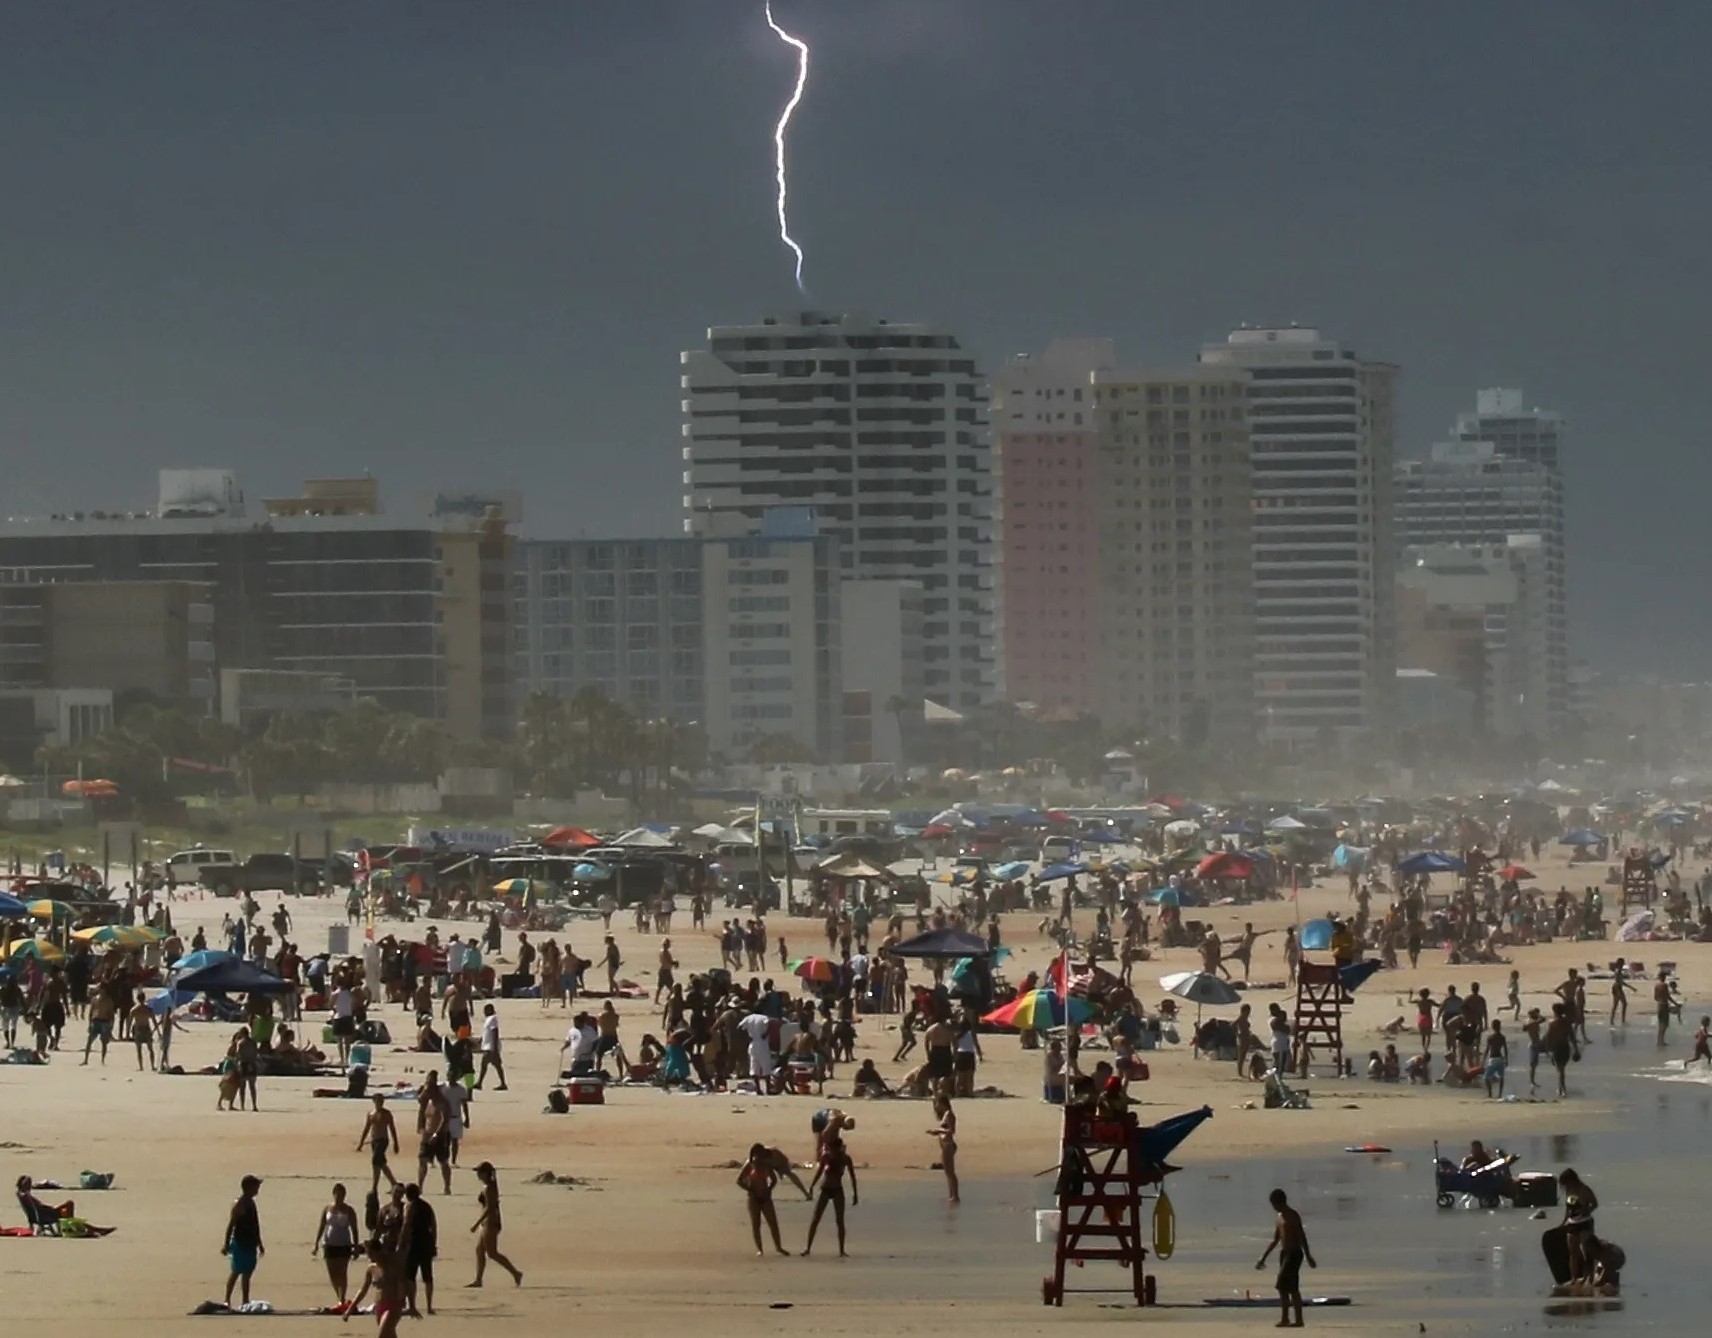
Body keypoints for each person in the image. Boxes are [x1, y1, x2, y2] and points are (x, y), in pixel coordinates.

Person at [1255, 1187, 1316, 1328]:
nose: (1273, 1208)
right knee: (1283, 1287)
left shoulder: (1292, 1215)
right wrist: (1263, 1257)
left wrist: (1308, 1256)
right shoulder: (1279, 1217)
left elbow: (1302, 1237)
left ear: (1279, 1202)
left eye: (1274, 1204)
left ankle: (1299, 1320)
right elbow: (1276, 1239)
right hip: (1285, 1254)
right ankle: (1285, 1318)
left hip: (1295, 1253)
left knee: (1290, 1286)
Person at [467, 1161, 522, 1288]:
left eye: (480, 1173)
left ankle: (515, 1273)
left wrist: (476, 1224)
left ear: (486, 1173)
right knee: (480, 1250)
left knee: (492, 1253)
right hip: (488, 1223)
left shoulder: (489, 1188)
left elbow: (490, 1208)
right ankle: (478, 1280)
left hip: (490, 1223)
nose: (478, 1175)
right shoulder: (489, 1186)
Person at [802, 1133, 858, 1257]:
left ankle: (842, 1250)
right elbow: (819, 1171)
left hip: (838, 1190)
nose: (833, 1150)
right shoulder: (826, 1157)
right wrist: (811, 1186)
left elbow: (853, 1177)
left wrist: (855, 1194)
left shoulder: (845, 1158)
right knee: (816, 1219)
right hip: (825, 1189)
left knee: (840, 1221)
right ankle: (808, 1248)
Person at [310, 1183, 360, 1307]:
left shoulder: (349, 1210)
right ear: (334, 1194)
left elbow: (354, 1229)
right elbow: (322, 1226)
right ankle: (339, 1296)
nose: (340, 1197)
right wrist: (316, 1243)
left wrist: (356, 1246)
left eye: (342, 1194)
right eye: (337, 1194)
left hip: (344, 1244)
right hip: (329, 1244)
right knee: (332, 1272)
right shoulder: (327, 1209)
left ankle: (342, 1298)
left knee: (342, 1271)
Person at [737, 1143, 791, 1257]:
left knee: (773, 1223)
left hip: (766, 1198)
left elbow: (774, 1179)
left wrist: (769, 1189)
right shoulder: (750, 1165)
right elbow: (739, 1180)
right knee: (756, 1225)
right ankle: (760, 1249)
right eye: (758, 1154)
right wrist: (750, 1189)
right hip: (753, 1198)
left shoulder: (766, 1164)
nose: (760, 1157)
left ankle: (778, 1247)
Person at [344, 1238, 406, 1337]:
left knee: (382, 1334)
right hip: (379, 1306)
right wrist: (350, 1309)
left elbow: (404, 1283)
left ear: (378, 1251)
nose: (369, 1256)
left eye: (371, 1253)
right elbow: (363, 1290)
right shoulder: (371, 1269)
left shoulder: (392, 1265)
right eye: (368, 1253)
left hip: (393, 1305)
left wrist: (409, 1303)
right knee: (389, 1335)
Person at [222, 1175, 265, 1308]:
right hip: (240, 1242)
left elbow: (255, 1225)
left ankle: (245, 1300)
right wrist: (226, 1244)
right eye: (256, 1186)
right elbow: (231, 1225)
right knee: (237, 1271)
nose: (258, 1189)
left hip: (251, 1242)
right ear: (249, 1187)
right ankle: (227, 1299)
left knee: (247, 1272)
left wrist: (260, 1243)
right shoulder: (240, 1204)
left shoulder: (251, 1202)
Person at [402, 1182, 438, 1316]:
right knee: (427, 1275)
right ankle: (429, 1306)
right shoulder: (427, 1206)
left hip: (414, 1242)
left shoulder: (409, 1206)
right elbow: (433, 1226)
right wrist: (433, 1243)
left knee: (410, 1275)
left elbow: (406, 1225)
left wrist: (401, 1243)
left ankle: (412, 1305)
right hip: (426, 1242)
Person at [1558, 1169, 1599, 1282]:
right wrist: (1564, 1222)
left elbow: (1595, 1204)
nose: (1564, 1186)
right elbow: (1568, 1209)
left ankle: (1589, 1277)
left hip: (1585, 1222)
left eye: (1566, 1182)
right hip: (1572, 1223)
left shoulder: (1584, 1190)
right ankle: (1574, 1278)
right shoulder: (1569, 1190)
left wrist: (1588, 1210)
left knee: (1587, 1251)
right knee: (1573, 1252)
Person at [416, 1073, 454, 1194]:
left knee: (443, 1161)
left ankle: (447, 1186)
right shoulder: (428, 1102)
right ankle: (420, 1186)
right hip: (427, 1135)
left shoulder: (442, 1102)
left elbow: (445, 1119)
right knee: (422, 1160)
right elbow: (421, 1110)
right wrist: (421, 1128)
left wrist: (437, 1134)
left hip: (441, 1135)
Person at [358, 1092, 400, 1194]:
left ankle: (375, 1187)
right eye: (378, 1101)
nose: (380, 1103)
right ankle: (394, 1183)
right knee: (380, 1164)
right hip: (374, 1141)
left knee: (376, 1162)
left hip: (383, 1141)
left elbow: (392, 1128)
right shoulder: (371, 1114)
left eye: (382, 1101)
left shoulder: (387, 1113)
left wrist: (396, 1143)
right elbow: (366, 1128)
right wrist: (361, 1143)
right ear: (374, 1101)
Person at [927, 1084, 959, 1204]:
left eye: (937, 1103)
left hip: (948, 1144)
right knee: (947, 1172)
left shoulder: (949, 1114)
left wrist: (938, 1130)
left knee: (950, 1172)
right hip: (945, 1144)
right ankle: (952, 1195)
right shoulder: (945, 1115)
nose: (936, 1106)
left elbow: (951, 1130)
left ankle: (955, 1195)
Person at [475, 1004, 507, 1091]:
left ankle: (479, 1083)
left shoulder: (493, 1019)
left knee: (485, 1064)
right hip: (488, 1045)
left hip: (490, 1046)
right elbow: (486, 1032)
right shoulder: (488, 1020)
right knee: (495, 1065)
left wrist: (495, 1048)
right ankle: (502, 1083)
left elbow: (494, 1032)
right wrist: (480, 1041)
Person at [127, 995, 156, 1071]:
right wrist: (157, 1031)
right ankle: (152, 1066)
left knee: (139, 1049)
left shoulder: (134, 1009)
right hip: (146, 1028)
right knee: (150, 1049)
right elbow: (154, 1020)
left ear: (137, 999)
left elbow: (129, 1022)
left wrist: (127, 1032)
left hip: (138, 1029)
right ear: (144, 998)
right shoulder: (148, 1009)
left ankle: (141, 1066)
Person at [1483, 1021, 1509, 1099]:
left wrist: (1483, 1059)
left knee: (1486, 1077)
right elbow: (1505, 1049)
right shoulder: (1502, 1037)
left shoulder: (1490, 1037)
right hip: (1500, 1058)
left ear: (1492, 1027)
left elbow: (1487, 1049)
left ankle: (1490, 1093)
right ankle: (1500, 1094)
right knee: (1501, 1077)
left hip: (1493, 1058)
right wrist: (1507, 1059)